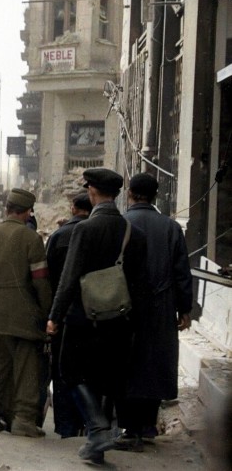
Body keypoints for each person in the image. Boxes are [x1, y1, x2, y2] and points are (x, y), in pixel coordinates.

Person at [46, 168, 148, 464]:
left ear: (91, 193)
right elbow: (140, 284)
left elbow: (69, 278)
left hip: (82, 319)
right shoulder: (134, 234)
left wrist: (55, 315)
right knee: (109, 378)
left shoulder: (84, 230)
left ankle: (98, 428)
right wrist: (136, 322)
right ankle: (96, 441)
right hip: (119, 319)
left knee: (71, 372)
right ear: (116, 194)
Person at [115, 173, 193, 451]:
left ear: (130, 194)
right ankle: (147, 425)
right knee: (153, 364)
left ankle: (127, 426)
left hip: (124, 308)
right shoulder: (171, 227)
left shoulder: (121, 223)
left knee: (126, 364)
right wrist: (186, 309)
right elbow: (182, 272)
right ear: (155, 197)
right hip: (160, 309)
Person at [0, 188, 52, 438]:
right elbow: (41, 282)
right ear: (27, 212)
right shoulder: (31, 240)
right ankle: (23, 420)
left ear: (6, 209)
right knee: (27, 369)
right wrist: (46, 314)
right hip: (23, 318)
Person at [44, 193, 92, 439]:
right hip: (95, 315)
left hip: (63, 316)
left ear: (72, 208)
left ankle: (65, 426)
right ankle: (88, 423)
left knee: (62, 371)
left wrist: (51, 315)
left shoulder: (58, 237)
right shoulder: (97, 233)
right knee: (89, 370)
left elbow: (49, 279)